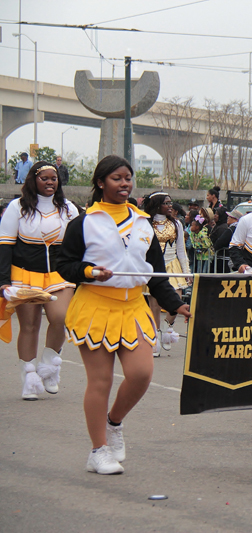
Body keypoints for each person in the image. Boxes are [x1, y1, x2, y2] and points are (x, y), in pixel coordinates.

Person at [57, 155, 190, 474]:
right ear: (101, 183)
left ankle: (114, 422)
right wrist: (89, 271)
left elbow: (156, 273)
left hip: (133, 306)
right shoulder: (84, 222)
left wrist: (176, 304)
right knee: (100, 381)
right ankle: (98, 450)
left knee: (141, 374)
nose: (124, 183)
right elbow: (65, 265)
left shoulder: (143, 222)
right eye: (116, 178)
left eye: (127, 178)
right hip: (95, 305)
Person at [0, 160, 79, 399]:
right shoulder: (17, 207)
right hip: (25, 273)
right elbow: (5, 245)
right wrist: (4, 281)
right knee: (30, 326)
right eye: (44, 178)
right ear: (33, 180)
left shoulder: (69, 208)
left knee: (60, 317)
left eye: (53, 178)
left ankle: (49, 364)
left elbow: (79, 243)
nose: (49, 182)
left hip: (60, 273)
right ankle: (29, 377)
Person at [143, 192, 191, 356]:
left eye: (171, 203)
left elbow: (181, 250)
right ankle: (154, 338)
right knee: (154, 305)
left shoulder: (176, 223)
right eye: (167, 203)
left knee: (175, 302)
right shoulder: (146, 223)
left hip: (172, 265)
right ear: (157, 204)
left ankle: (166, 327)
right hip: (153, 267)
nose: (171, 206)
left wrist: (187, 272)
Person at [188, 208, 214, 273]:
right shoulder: (192, 234)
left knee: (205, 271)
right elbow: (193, 242)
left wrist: (200, 247)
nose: (191, 227)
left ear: (197, 227)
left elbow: (207, 244)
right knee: (199, 271)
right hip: (199, 256)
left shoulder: (202, 234)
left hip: (207, 256)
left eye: (192, 225)